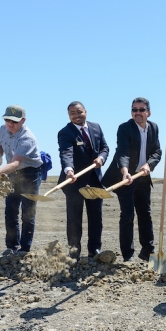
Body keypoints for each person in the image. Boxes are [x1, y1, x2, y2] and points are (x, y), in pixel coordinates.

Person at [101, 97, 162, 262]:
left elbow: (157, 152)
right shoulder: (124, 128)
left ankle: (148, 252)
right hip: (125, 177)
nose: (138, 113)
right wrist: (125, 172)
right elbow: (123, 152)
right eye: (134, 110)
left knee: (145, 215)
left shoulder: (154, 128)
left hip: (142, 177)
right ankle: (128, 255)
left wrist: (149, 165)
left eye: (141, 110)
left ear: (148, 112)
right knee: (127, 215)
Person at [0, 105, 43, 256]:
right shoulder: (3, 129)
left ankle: (24, 249)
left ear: (23, 120)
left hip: (30, 173)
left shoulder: (27, 138)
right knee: (10, 209)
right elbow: (0, 145)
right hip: (12, 172)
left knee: (28, 212)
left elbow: (16, 163)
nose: (10, 124)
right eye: (7, 120)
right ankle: (11, 246)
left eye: (14, 121)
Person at [57, 101, 110, 259]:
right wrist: (69, 170)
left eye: (79, 112)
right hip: (74, 182)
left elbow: (105, 148)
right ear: (69, 116)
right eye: (72, 113)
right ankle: (74, 251)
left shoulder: (96, 127)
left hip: (94, 181)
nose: (76, 115)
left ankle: (95, 250)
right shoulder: (65, 132)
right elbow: (66, 153)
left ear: (85, 112)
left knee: (96, 217)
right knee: (74, 219)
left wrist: (101, 158)